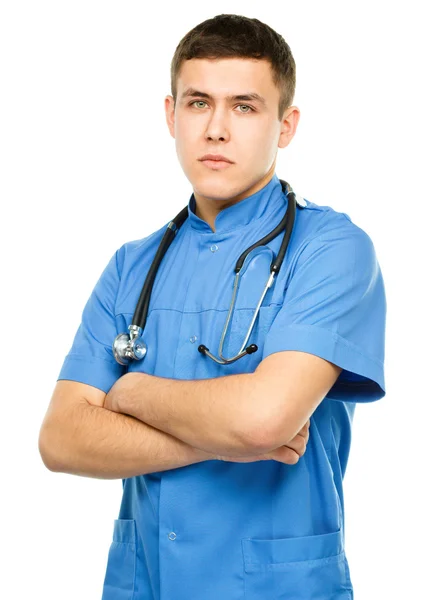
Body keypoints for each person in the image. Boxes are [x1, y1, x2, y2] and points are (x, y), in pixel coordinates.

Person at [38, 13, 386, 600]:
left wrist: (131, 395)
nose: (217, 129)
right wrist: (227, 438)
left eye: (245, 106)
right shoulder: (133, 264)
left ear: (286, 125)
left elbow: (262, 421)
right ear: (172, 116)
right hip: (143, 582)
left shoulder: (331, 250)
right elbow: (62, 439)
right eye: (199, 103)